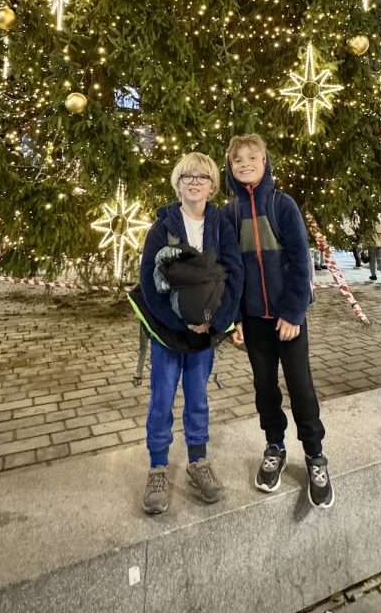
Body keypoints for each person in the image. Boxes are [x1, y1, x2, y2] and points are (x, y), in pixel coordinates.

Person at [221, 133, 334, 510]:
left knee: (301, 389)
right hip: (254, 322)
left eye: (252, 157)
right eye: (238, 160)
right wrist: (235, 317)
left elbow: (301, 263)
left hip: (289, 321)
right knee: (265, 389)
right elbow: (232, 271)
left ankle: (315, 455)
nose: (245, 164)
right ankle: (274, 446)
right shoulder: (230, 213)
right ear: (231, 168)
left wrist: (292, 312)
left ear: (265, 162)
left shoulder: (282, 205)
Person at [133, 152, 244, 516]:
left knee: (197, 398)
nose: (194, 182)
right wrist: (178, 323)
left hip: (205, 332)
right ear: (177, 183)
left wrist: (216, 320)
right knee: (162, 397)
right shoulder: (161, 226)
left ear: (212, 185)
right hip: (168, 332)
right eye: (187, 176)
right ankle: (158, 467)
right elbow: (149, 281)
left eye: (202, 177)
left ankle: (198, 460)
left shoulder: (220, 225)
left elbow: (235, 272)